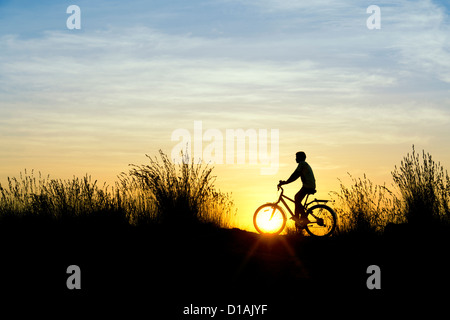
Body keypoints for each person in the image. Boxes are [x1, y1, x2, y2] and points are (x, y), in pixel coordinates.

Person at [278, 151, 316, 227]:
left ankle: (303, 217)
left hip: (307, 186)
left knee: (297, 199)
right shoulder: (304, 164)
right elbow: (295, 175)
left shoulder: (302, 164)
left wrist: (286, 182)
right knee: (296, 198)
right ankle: (298, 218)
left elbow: (295, 175)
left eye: (297, 157)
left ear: (300, 158)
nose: (295, 159)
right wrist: (286, 182)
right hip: (308, 185)